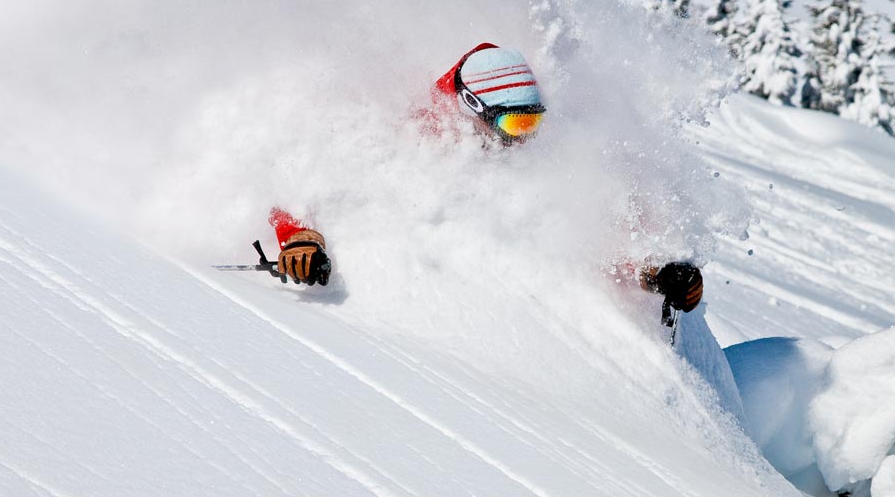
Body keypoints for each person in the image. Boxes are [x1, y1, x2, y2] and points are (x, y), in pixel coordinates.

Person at [270, 42, 703, 323]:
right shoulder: (408, 136)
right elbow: (304, 179)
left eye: (533, 121)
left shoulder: (538, 154)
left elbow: (592, 241)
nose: (525, 137)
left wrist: (655, 273)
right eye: (515, 123)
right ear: (471, 106)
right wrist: (301, 238)